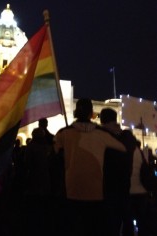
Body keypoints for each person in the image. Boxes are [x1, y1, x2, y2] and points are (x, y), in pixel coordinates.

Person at [54, 99, 126, 236]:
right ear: (91, 114)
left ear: (76, 112)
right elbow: (122, 149)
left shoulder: (64, 133)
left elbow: (55, 152)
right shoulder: (102, 134)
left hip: (71, 189)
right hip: (96, 192)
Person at [100, 107, 137, 235]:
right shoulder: (127, 137)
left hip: (106, 185)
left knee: (110, 224)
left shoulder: (101, 136)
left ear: (102, 120)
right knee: (126, 220)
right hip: (125, 184)